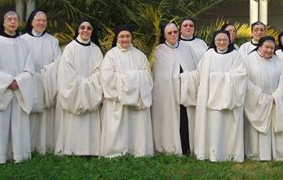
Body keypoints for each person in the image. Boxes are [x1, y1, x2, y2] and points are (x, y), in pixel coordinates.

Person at [0, 11, 35, 163]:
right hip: (1, 90)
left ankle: (18, 155)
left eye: (15, 19)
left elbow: (30, 69)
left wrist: (19, 81)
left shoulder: (24, 43)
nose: (12, 22)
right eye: (9, 19)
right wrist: (8, 82)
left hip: (18, 89)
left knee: (18, 125)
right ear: (3, 23)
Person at [186, 30, 247, 162]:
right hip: (208, 99)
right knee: (210, 126)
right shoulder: (208, 55)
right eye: (218, 40)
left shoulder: (235, 56)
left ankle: (230, 154)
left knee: (228, 126)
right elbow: (198, 73)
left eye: (224, 40)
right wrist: (184, 78)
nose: (221, 42)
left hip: (229, 100)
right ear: (214, 41)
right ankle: (209, 153)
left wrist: (218, 78)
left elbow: (241, 76)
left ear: (229, 41)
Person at [99, 25, 154, 158]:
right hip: (117, 102)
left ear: (132, 37)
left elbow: (148, 78)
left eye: (128, 36)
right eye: (122, 36)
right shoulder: (111, 56)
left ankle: (138, 150)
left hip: (136, 104)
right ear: (117, 38)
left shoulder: (140, 56)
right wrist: (133, 80)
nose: (125, 39)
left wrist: (127, 79)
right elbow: (107, 78)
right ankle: (116, 152)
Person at [55, 18, 103, 156]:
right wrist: (83, 84)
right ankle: (72, 149)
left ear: (92, 31)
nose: (85, 31)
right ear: (78, 29)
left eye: (89, 28)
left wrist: (90, 83)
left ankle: (91, 150)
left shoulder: (96, 50)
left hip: (90, 91)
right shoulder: (70, 48)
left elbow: (99, 71)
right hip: (74, 93)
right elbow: (66, 73)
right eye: (82, 27)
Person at [244, 36, 283, 161]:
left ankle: (278, 154)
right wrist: (261, 97)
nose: (269, 50)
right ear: (260, 46)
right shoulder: (249, 60)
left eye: (272, 48)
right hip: (257, 100)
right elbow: (246, 81)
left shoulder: (278, 61)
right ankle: (258, 155)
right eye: (266, 47)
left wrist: (276, 97)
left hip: (275, 101)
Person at [151, 22, 197, 155]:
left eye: (175, 32)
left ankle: (186, 148)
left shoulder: (186, 48)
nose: (173, 35)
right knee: (169, 120)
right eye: (169, 33)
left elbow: (194, 68)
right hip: (167, 95)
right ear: (164, 35)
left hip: (186, 92)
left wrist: (187, 78)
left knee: (186, 120)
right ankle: (169, 147)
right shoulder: (158, 51)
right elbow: (158, 76)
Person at [21, 10, 61, 154]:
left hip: (47, 83)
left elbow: (58, 62)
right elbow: (21, 61)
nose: (41, 23)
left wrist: (46, 72)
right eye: (38, 20)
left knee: (46, 117)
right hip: (30, 83)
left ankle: (45, 147)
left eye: (44, 20)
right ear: (31, 22)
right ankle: (28, 147)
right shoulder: (22, 40)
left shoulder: (53, 41)